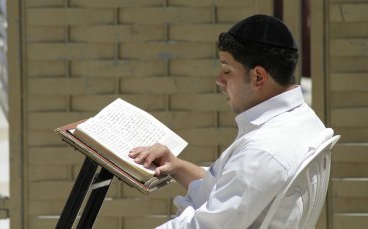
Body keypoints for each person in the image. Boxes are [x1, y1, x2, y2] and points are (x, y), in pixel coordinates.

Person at [129, 14, 334, 228]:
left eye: (227, 70)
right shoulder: (302, 120)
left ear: (258, 77)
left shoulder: (264, 149)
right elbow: (231, 187)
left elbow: (204, 226)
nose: (219, 80)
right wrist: (177, 166)